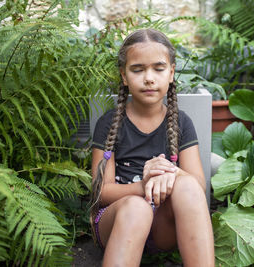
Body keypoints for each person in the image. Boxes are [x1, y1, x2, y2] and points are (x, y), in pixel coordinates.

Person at [89, 28, 214, 267]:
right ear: (124, 76)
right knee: (137, 208)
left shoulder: (180, 122)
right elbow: (100, 193)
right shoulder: (109, 124)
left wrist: (169, 172)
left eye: (158, 68)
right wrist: (143, 186)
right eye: (138, 69)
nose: (149, 78)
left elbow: (197, 186)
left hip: (162, 229)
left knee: (187, 184)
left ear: (171, 73)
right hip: (117, 221)